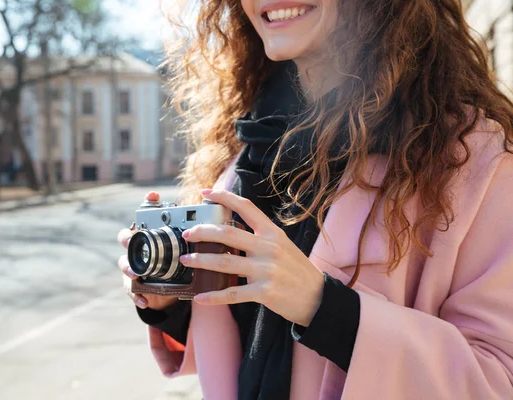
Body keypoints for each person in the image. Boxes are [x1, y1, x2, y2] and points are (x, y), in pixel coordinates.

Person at [117, 0, 513, 398]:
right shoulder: (246, 150)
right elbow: (247, 348)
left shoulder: (476, 159)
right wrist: (169, 303)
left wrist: (322, 307)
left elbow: (498, 379)